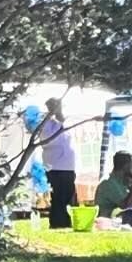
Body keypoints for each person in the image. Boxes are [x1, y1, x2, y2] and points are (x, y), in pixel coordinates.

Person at [38, 97, 79, 229]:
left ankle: (66, 221)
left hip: (68, 166)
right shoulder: (46, 124)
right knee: (59, 197)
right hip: (56, 166)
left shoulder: (65, 121)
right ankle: (58, 222)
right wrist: (58, 120)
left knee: (67, 195)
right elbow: (49, 140)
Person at [94, 151, 132, 218]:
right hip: (107, 219)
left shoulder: (123, 178)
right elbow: (126, 206)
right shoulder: (109, 183)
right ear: (126, 166)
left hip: (118, 217)